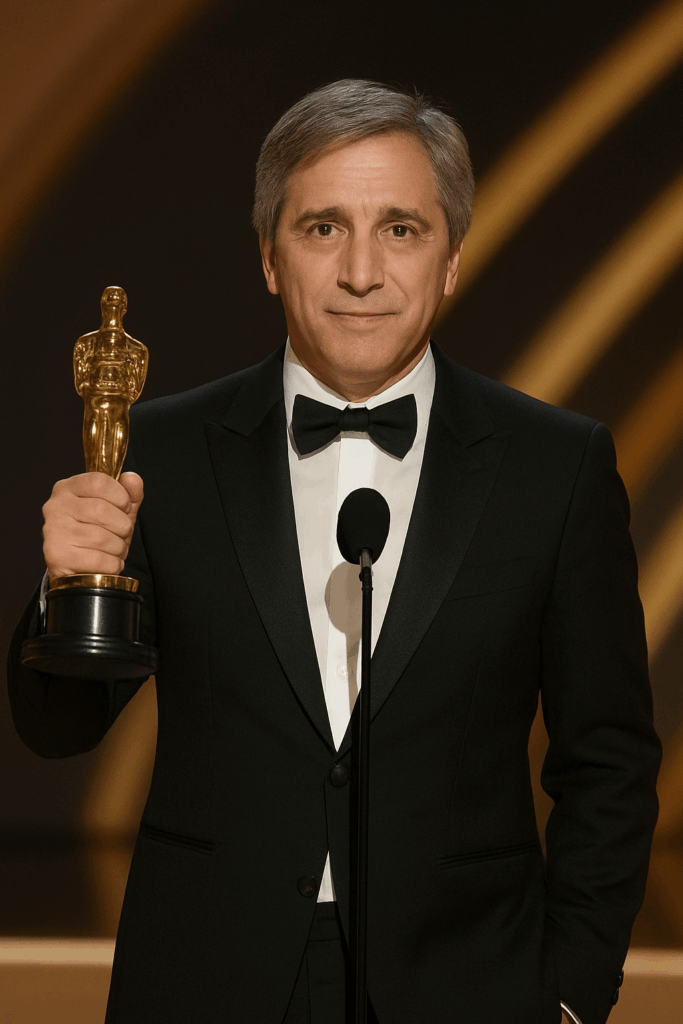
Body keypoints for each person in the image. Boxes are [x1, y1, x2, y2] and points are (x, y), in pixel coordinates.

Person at [8, 79, 661, 1024]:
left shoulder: (555, 466)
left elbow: (608, 760)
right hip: (207, 983)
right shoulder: (165, 453)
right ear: (269, 257)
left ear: (451, 257)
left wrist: (569, 993)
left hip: (467, 985)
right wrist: (66, 585)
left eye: (400, 228)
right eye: (322, 228)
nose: (361, 271)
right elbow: (58, 727)